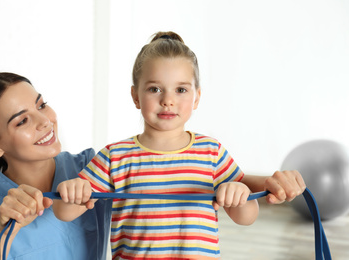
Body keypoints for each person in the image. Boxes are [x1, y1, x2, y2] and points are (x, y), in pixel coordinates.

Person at [52, 32, 306, 260]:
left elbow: (246, 218)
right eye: (154, 89)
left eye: (181, 90)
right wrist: (73, 190)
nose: (168, 100)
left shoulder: (211, 152)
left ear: (197, 97)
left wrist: (238, 196)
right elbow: (64, 212)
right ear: (135, 96)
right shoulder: (114, 157)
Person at [0, 73, 112, 259]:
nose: (45, 121)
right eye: (22, 121)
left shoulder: (93, 169)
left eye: (41, 105)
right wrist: (4, 234)